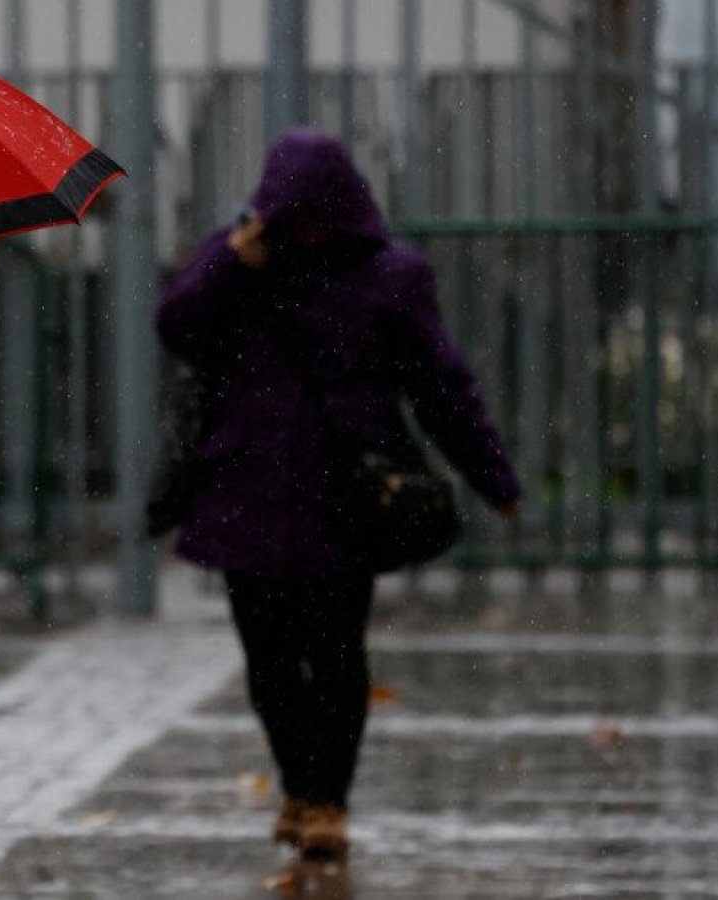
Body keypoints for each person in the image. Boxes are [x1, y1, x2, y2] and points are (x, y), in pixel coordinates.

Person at [155, 129, 522, 860]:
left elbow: (440, 384)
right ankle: (299, 787)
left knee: (335, 654)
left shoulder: (389, 276)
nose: (307, 232)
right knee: (267, 659)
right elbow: (178, 330)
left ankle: (328, 802)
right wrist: (231, 267)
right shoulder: (233, 260)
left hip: (342, 497)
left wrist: (490, 474)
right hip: (245, 494)